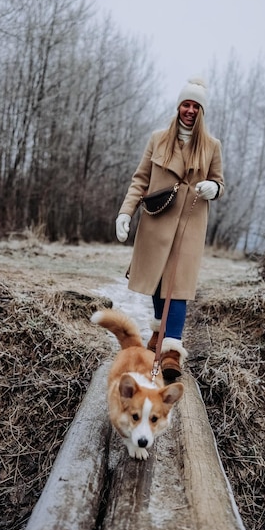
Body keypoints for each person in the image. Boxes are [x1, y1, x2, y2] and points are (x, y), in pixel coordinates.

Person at [115, 77, 224, 381]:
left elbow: (221, 182)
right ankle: (157, 336)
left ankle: (171, 350)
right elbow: (140, 179)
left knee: (179, 287)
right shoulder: (158, 139)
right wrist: (125, 212)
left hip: (190, 224)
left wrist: (212, 188)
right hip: (157, 219)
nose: (190, 110)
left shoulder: (212, 146)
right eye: (186, 104)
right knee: (157, 281)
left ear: (202, 111)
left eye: (196, 106)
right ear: (178, 106)